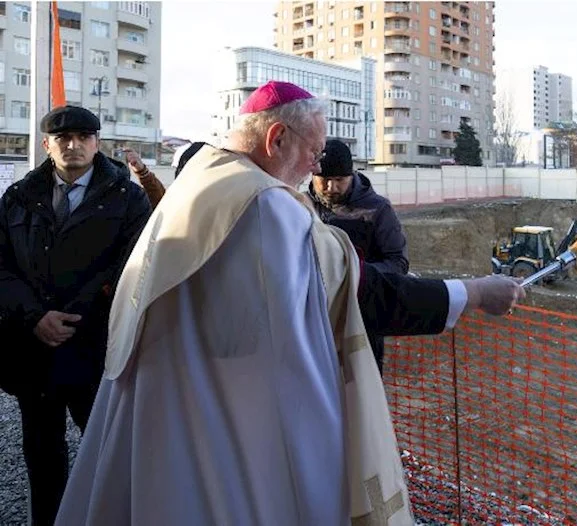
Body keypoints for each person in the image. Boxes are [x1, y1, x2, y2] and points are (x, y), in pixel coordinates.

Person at [55, 82, 523, 525]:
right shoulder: (264, 207)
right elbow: (364, 294)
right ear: (277, 138)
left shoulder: (201, 180)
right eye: (314, 154)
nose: (314, 170)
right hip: (227, 422)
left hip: (171, 406)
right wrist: (475, 292)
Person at [0, 105, 151, 525]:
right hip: (34, 351)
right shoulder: (18, 198)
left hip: (95, 351)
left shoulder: (128, 196)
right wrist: (34, 317)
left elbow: (134, 268)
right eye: (63, 138)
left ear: (96, 142)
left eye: (83, 136)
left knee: (106, 455)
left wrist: (76, 315)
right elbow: (2, 267)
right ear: (47, 145)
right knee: (42, 459)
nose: (73, 144)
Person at [308, 138, 408, 374]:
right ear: (313, 175)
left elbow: (398, 263)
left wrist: (355, 276)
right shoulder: (301, 205)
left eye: (339, 180)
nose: (331, 188)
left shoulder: (378, 210)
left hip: (362, 319)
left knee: (361, 391)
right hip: (315, 321)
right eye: (325, 180)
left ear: (352, 175)